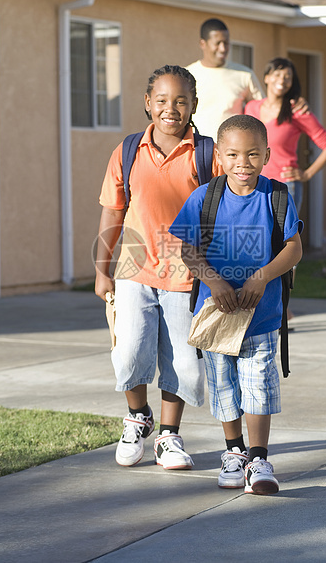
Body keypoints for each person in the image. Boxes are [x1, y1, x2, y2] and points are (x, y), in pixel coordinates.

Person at [95, 64, 221, 471]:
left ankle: (169, 435)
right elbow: (112, 214)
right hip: (134, 267)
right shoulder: (128, 151)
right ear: (148, 103)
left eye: (181, 100)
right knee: (130, 353)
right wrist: (102, 269)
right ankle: (138, 417)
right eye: (162, 100)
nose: (172, 108)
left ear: (194, 105)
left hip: (187, 276)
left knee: (182, 364)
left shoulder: (208, 155)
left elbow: (228, 209)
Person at [169, 114, 303, 494]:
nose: (243, 163)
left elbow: (294, 248)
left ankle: (259, 459)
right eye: (233, 155)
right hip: (218, 316)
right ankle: (234, 452)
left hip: (260, 316)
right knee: (225, 388)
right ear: (220, 158)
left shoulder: (276, 197)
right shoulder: (205, 198)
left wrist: (262, 276)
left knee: (258, 384)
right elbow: (188, 249)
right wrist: (212, 279)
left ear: (266, 155)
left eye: (252, 155)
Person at [186, 18, 308, 141]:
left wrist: (296, 103)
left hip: (232, 152)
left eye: (226, 43)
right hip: (197, 148)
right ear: (203, 44)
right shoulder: (188, 76)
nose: (223, 48)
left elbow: (266, 108)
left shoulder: (244, 74)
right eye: (218, 43)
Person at [244, 57, 326, 214]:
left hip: (284, 185)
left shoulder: (297, 111)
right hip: (253, 184)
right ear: (266, 77)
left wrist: (307, 174)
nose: (283, 80)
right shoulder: (251, 108)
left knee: (283, 237)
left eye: (288, 77)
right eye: (278, 74)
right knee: (258, 235)